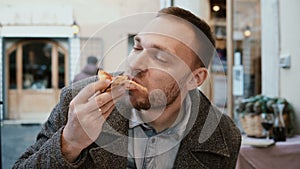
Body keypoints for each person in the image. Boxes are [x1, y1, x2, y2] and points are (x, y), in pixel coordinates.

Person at [13, 7, 241, 169]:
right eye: (137, 47)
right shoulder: (76, 102)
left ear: (195, 79)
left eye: (160, 57)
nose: (134, 64)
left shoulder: (223, 135)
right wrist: (69, 143)